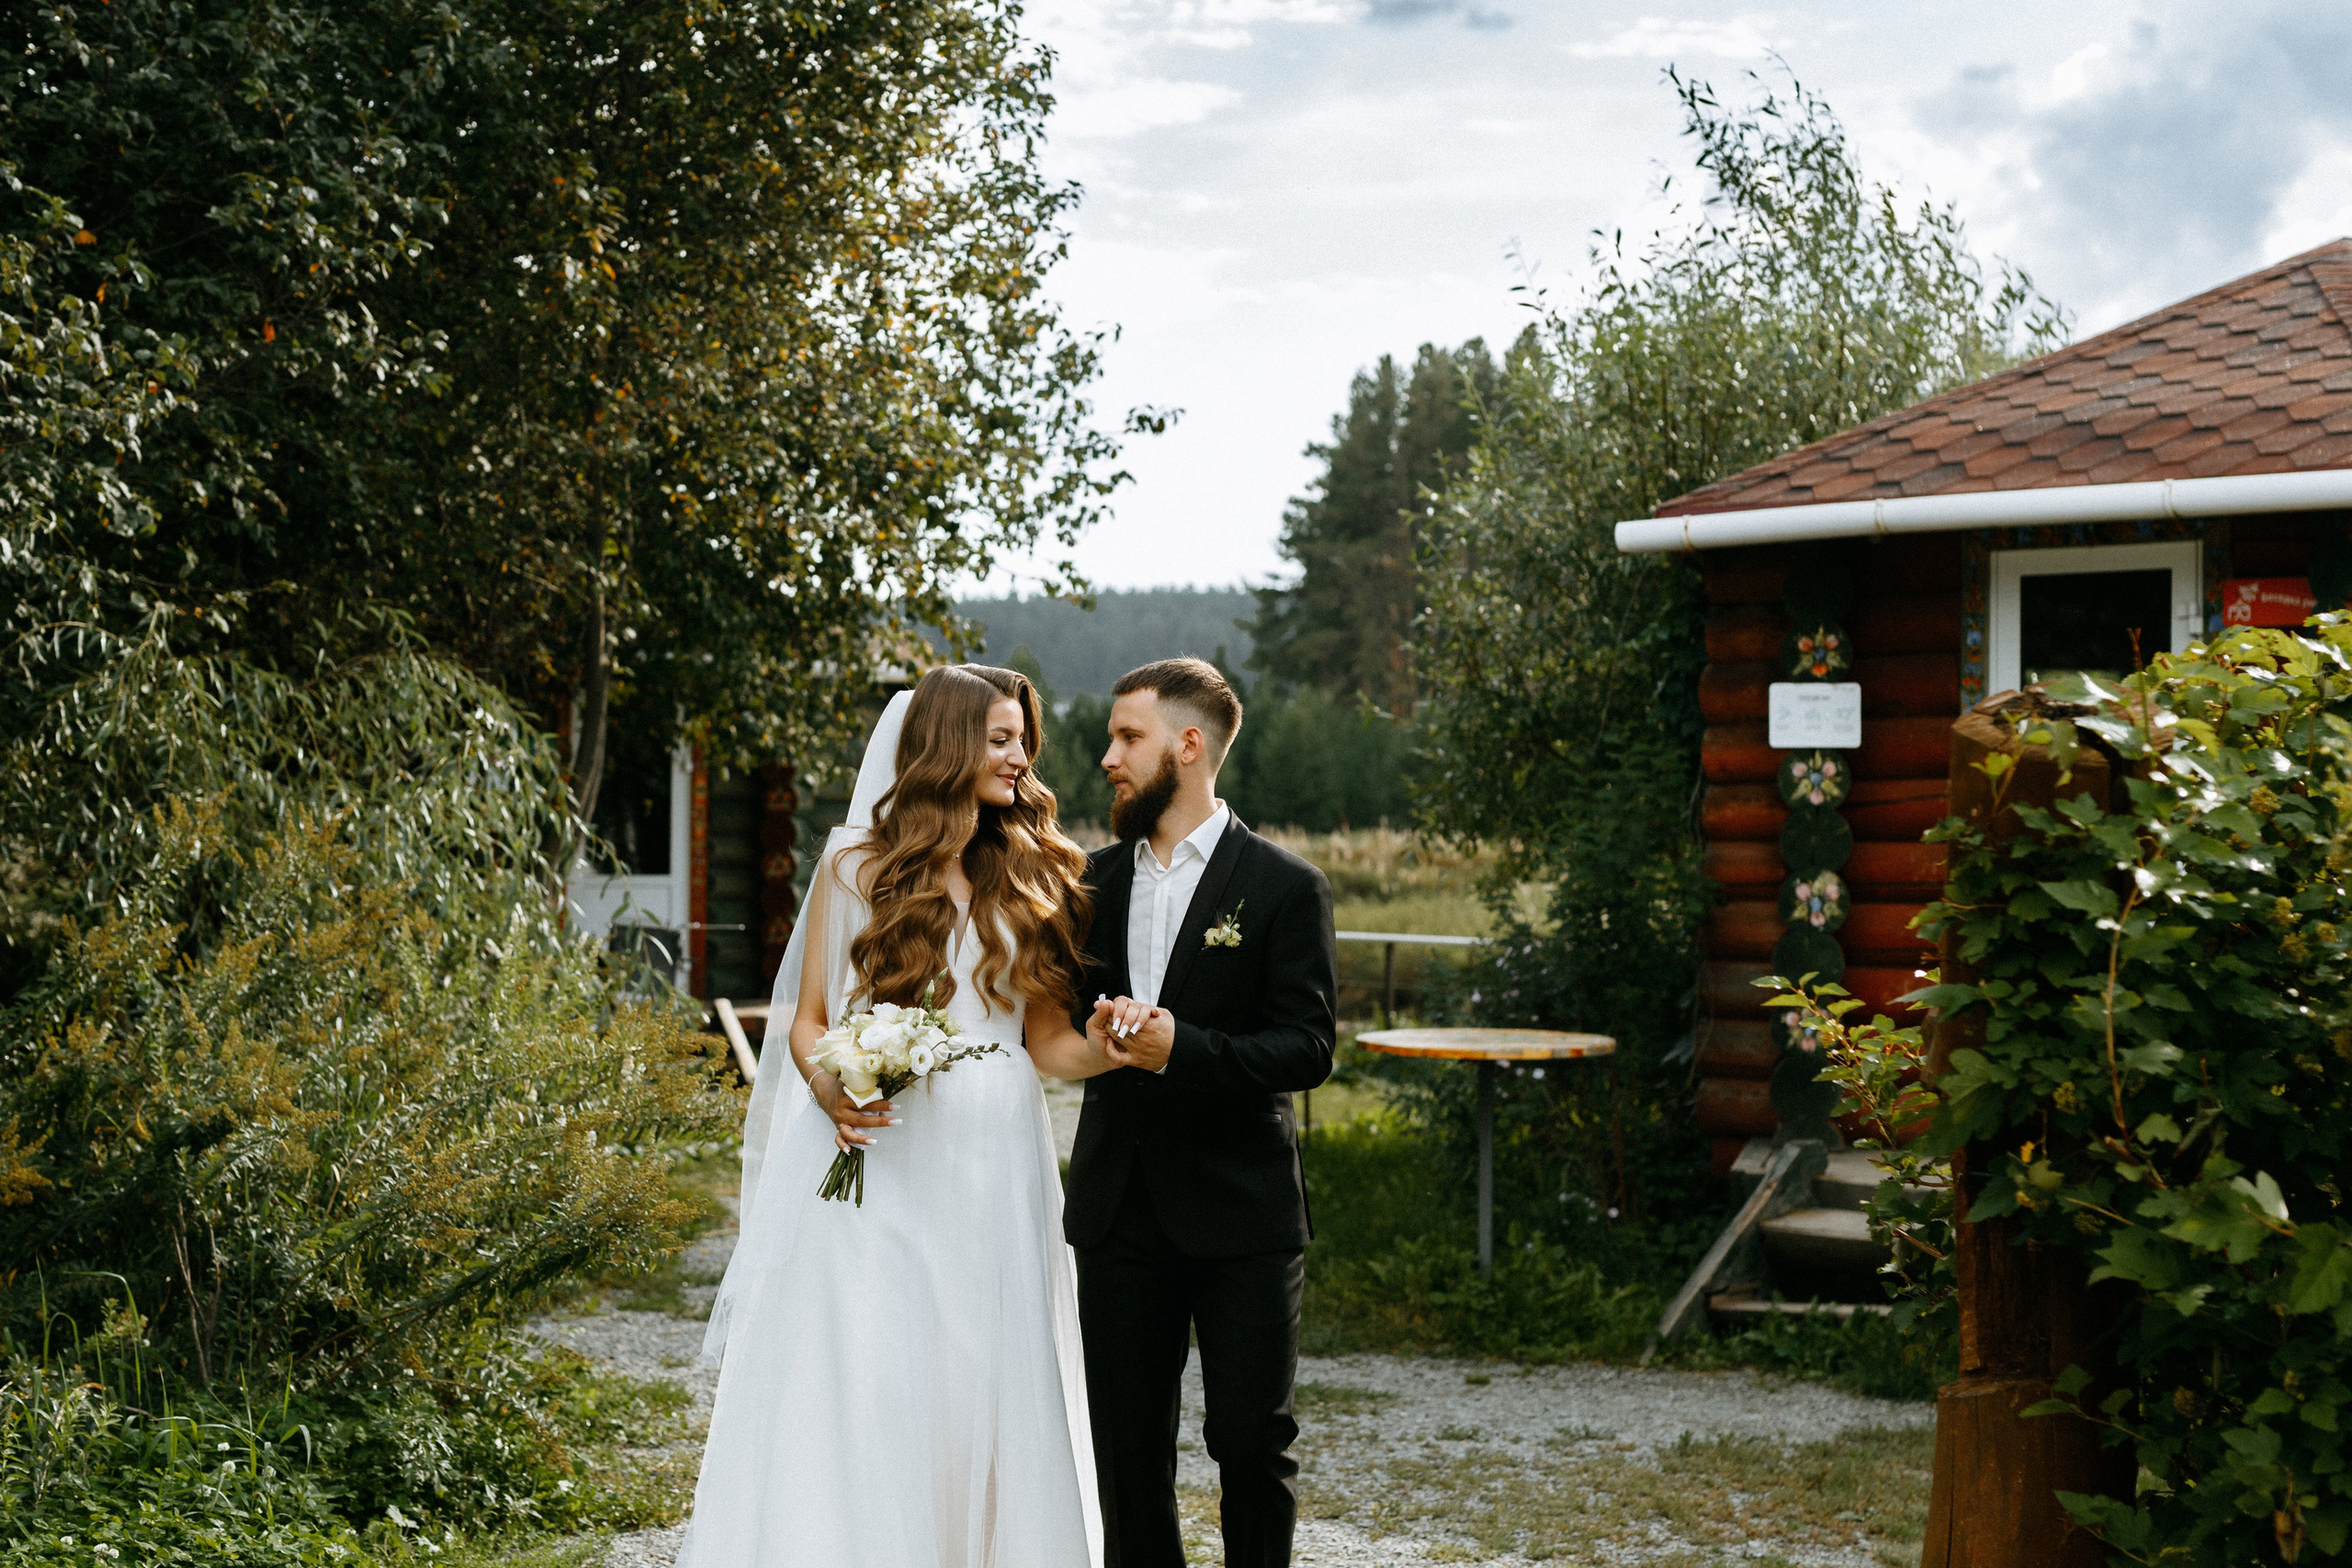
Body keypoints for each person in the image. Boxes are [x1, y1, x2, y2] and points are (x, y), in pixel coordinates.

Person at [684, 664, 1130, 1568]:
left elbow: (1045, 1040)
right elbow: (811, 1023)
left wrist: (1106, 1050)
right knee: (876, 1360)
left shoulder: (1033, 869)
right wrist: (832, 1091)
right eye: (999, 739)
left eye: (1021, 741)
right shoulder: (855, 862)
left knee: (986, 1369)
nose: (1019, 758)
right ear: (947, 745)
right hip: (884, 1153)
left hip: (999, 1156)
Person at [1069, 658, 1340, 1568]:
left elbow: (1307, 1050)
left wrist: (1185, 1047)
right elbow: (1056, 1019)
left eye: (1127, 737)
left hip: (1241, 1213)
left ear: (1188, 746)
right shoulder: (1088, 883)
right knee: (1127, 1458)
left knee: (1249, 1445)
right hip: (1119, 1208)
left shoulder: (1283, 885)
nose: (1108, 755)